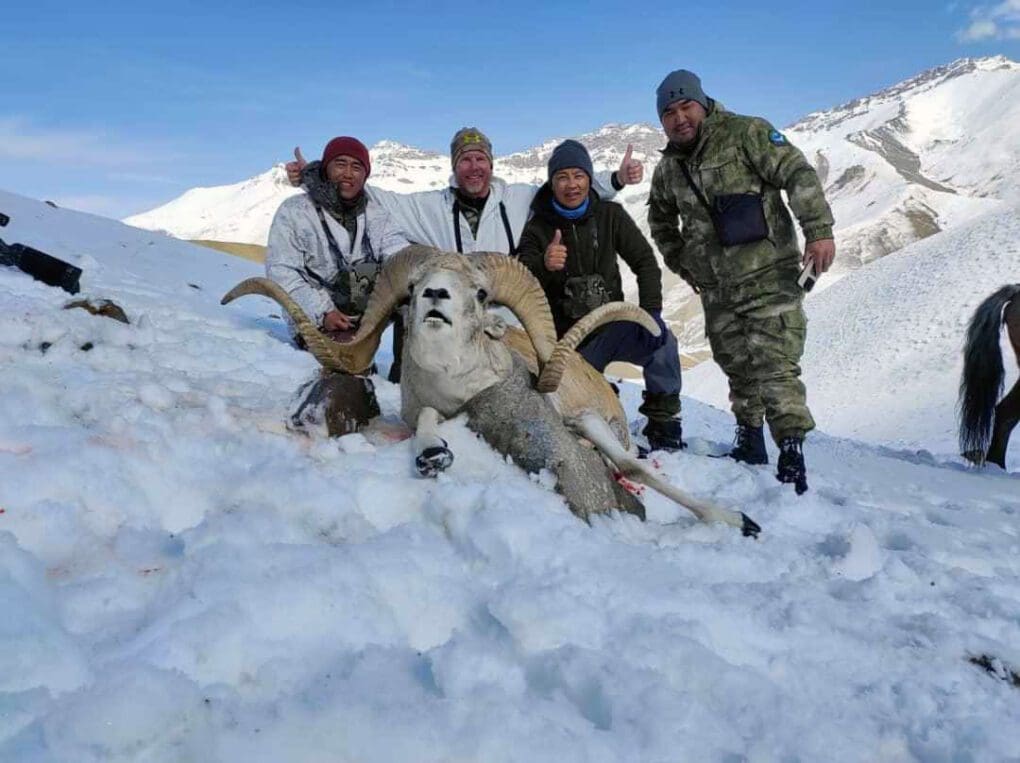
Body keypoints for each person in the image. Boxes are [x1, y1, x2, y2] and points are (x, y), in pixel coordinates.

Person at [285, 127, 645, 381]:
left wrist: (615, 180)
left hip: (501, 315)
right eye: (465, 159)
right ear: (455, 167)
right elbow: (369, 193)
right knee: (414, 306)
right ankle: (402, 378)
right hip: (453, 315)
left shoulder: (517, 199)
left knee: (519, 377)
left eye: (480, 158)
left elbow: (568, 190)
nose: (474, 166)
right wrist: (314, 176)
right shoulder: (430, 207)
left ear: (491, 164)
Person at [647, 69, 836, 494]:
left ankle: (791, 452)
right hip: (717, 289)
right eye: (669, 112)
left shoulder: (747, 133)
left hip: (768, 276)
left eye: (686, 107)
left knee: (775, 366)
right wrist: (683, 263)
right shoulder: (668, 169)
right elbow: (659, 218)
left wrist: (819, 230)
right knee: (736, 365)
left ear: (703, 103)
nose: (679, 118)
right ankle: (750, 442)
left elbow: (797, 173)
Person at [518, 140, 684, 453]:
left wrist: (652, 313)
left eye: (578, 176)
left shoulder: (610, 215)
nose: (571, 185)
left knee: (664, 342)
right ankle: (603, 406)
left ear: (589, 178)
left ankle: (663, 424)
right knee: (576, 404)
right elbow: (520, 271)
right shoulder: (538, 227)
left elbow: (645, 263)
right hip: (568, 344)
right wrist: (543, 263)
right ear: (551, 183)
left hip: (612, 326)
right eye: (562, 177)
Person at [265, 136, 410, 431]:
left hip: (365, 316)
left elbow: (398, 253)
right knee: (343, 373)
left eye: (357, 167)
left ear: (365, 175)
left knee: (413, 291)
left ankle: (405, 376)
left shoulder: (377, 215)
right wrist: (322, 312)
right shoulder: (294, 212)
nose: (348, 173)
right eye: (340, 164)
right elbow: (282, 271)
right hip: (316, 319)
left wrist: (411, 272)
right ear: (326, 169)